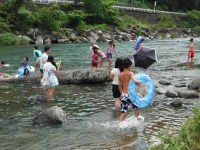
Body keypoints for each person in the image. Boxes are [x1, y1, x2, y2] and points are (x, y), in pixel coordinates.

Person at [118, 58, 141, 122]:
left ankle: (120, 124)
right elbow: (135, 81)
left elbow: (119, 87)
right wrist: (139, 83)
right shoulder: (130, 73)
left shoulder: (120, 75)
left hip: (123, 95)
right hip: (130, 94)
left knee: (123, 111)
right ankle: (136, 121)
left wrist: (122, 94)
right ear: (129, 66)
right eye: (131, 66)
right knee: (136, 107)